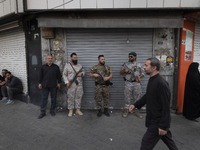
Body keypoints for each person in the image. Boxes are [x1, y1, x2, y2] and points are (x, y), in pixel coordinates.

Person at [129, 57, 178, 150]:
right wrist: (136, 105)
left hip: (158, 121)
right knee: (169, 142)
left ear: (154, 68)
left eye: (146, 65)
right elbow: (148, 96)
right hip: (154, 118)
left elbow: (166, 106)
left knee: (145, 144)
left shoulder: (161, 83)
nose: (144, 67)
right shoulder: (152, 79)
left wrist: (163, 126)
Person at [120, 52, 144, 118]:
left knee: (137, 97)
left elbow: (143, 73)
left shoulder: (139, 64)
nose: (130, 58)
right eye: (129, 56)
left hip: (136, 83)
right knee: (127, 96)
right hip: (128, 83)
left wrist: (139, 77)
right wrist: (125, 71)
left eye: (131, 56)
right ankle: (127, 110)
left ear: (135, 57)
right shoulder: (125, 64)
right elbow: (120, 72)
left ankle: (137, 110)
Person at [38, 54, 62, 119]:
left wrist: (59, 83)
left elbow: (59, 76)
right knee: (44, 99)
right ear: (46, 59)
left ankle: (52, 111)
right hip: (44, 86)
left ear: (52, 59)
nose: (50, 59)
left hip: (53, 86)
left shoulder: (56, 67)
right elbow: (40, 76)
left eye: (51, 58)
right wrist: (39, 83)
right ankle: (43, 112)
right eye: (49, 58)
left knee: (53, 99)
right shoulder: (43, 67)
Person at [63, 53, 85, 117]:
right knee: (71, 97)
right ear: (71, 58)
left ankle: (78, 110)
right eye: (74, 57)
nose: (75, 59)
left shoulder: (80, 66)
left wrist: (82, 74)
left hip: (79, 84)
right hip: (71, 84)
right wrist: (67, 82)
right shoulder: (67, 66)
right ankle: (71, 110)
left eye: (76, 57)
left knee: (79, 96)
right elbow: (64, 75)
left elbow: (84, 71)